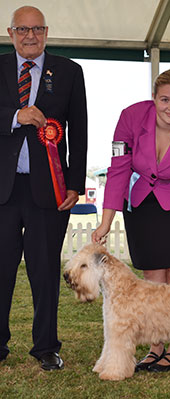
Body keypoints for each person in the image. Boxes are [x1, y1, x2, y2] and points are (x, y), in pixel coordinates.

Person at [92, 69, 170, 372]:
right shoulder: (130, 118)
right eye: (165, 100)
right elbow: (118, 169)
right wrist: (106, 222)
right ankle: (155, 347)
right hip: (140, 205)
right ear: (154, 98)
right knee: (151, 280)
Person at [0, 6, 87, 370]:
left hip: (49, 191)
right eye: (22, 29)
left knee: (46, 271)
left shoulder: (69, 71)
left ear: (47, 32)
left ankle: (46, 347)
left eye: (36, 29)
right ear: (11, 32)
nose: (30, 35)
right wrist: (14, 116)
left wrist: (76, 183)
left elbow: (79, 129)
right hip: (2, 192)